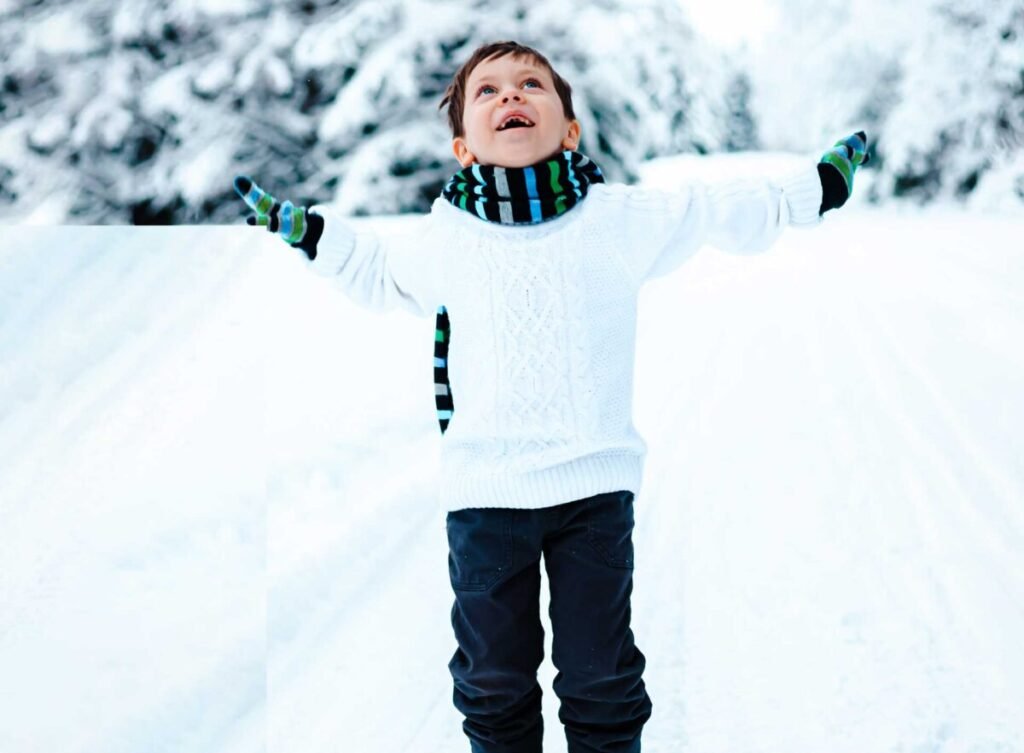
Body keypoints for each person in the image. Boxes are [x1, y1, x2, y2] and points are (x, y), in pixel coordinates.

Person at [233, 39, 869, 753]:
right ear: (462, 147)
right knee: (494, 679)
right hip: (486, 498)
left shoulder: (616, 218)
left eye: (531, 84)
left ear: (569, 128)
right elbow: (374, 267)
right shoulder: (445, 238)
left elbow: (708, 209)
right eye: (488, 91)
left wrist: (812, 188)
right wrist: (309, 231)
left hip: (592, 489)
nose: (510, 96)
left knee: (601, 675)